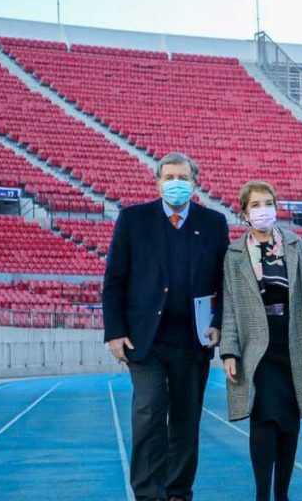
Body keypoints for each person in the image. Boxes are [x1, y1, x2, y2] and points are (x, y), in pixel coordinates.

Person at [102, 152, 228, 501]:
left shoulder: (214, 223)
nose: (176, 183)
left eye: (182, 177)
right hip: (146, 339)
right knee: (150, 413)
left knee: (186, 422)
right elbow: (115, 279)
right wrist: (114, 331)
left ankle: (178, 492)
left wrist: (219, 323)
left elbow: (224, 281)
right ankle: (147, 493)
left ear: (194, 182)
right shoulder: (133, 220)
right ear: (157, 182)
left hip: (193, 339)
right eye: (169, 177)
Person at [220, 180, 302, 501]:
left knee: (288, 420)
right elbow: (229, 306)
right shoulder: (233, 254)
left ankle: (282, 494)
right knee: (263, 418)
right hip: (256, 346)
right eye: (256, 205)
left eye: (268, 203)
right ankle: (262, 495)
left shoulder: (297, 247)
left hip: (292, 340)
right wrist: (229, 351)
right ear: (244, 212)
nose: (263, 210)